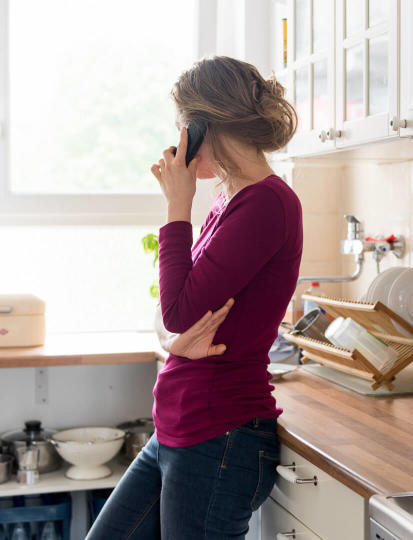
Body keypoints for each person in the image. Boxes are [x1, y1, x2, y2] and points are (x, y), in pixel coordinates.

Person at [86, 56, 302, 539]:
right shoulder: (230, 200)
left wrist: (177, 203)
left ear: (204, 126)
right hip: (180, 428)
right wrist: (173, 341)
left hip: (220, 435)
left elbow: (178, 311)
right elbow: (172, 319)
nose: (178, 142)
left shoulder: (267, 203)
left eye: (183, 128)